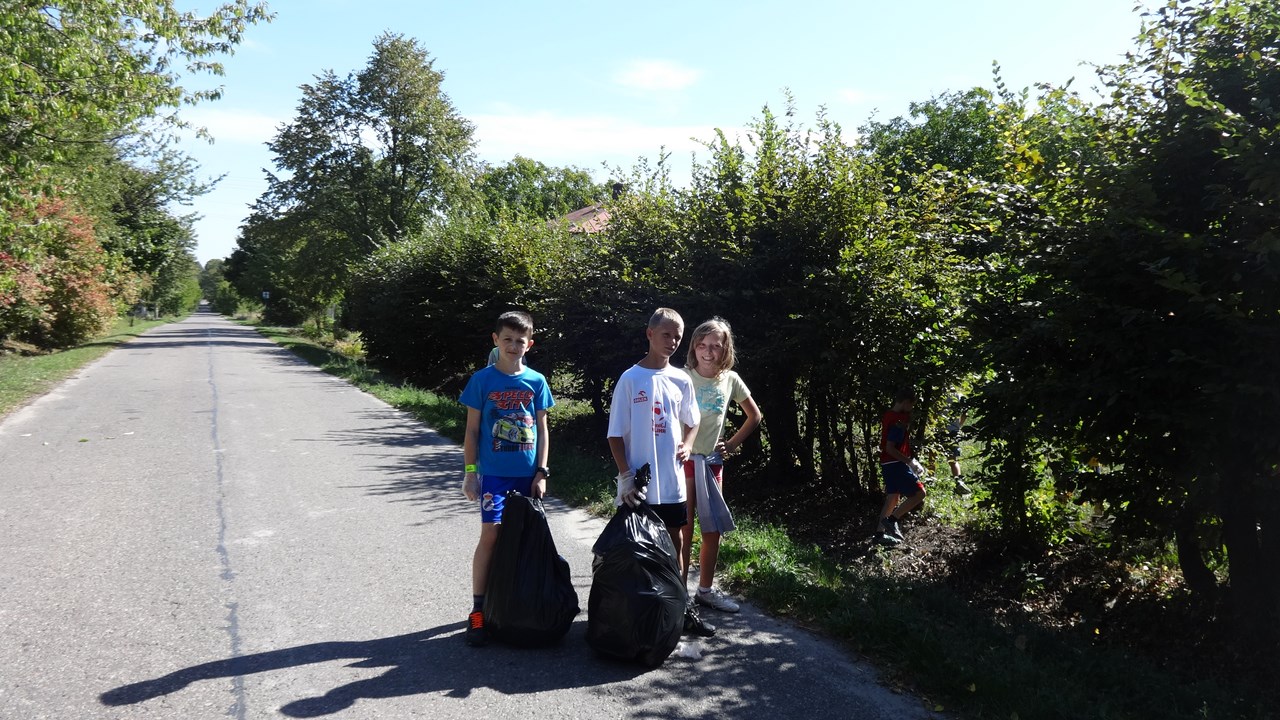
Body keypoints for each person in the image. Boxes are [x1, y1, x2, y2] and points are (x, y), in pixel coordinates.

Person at [607, 308, 715, 637]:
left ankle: (680, 610)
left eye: (678, 337)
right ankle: (639, 613)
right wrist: (626, 476)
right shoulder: (630, 379)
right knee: (636, 548)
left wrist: (688, 444)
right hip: (639, 484)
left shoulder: (681, 379)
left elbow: (693, 419)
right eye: (666, 334)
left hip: (672, 481)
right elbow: (615, 434)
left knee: (676, 541)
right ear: (650, 334)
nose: (672, 341)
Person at [460, 310, 555, 647]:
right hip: (495, 476)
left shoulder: (536, 381)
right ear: (495, 340)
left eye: (520, 340)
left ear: (530, 343)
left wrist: (541, 472)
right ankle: (478, 610)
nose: (514, 346)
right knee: (492, 534)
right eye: (508, 339)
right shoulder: (482, 380)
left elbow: (542, 429)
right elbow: (472, 431)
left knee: (525, 538)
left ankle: (514, 602)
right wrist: (471, 474)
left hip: (528, 477)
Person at [681, 317, 762, 614]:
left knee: (711, 529)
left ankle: (705, 590)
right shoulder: (681, 376)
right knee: (684, 527)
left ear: (725, 349)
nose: (708, 351)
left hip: (712, 463)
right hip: (683, 462)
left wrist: (732, 443)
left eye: (715, 346)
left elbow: (755, 415)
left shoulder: (730, 379)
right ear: (693, 347)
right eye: (702, 345)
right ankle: (679, 593)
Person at [878, 386, 927, 544]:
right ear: (906, 402)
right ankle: (892, 520)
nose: (912, 409)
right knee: (920, 493)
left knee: (893, 497)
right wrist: (909, 462)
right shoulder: (898, 421)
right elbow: (890, 448)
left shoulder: (889, 415)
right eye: (911, 405)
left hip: (887, 463)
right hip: (895, 463)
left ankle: (879, 535)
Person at [943, 392, 971, 495]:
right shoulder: (960, 396)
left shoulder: (939, 393)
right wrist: (959, 426)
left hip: (938, 430)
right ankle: (958, 481)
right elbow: (965, 414)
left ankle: (930, 480)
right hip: (953, 431)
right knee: (953, 460)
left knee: (932, 458)